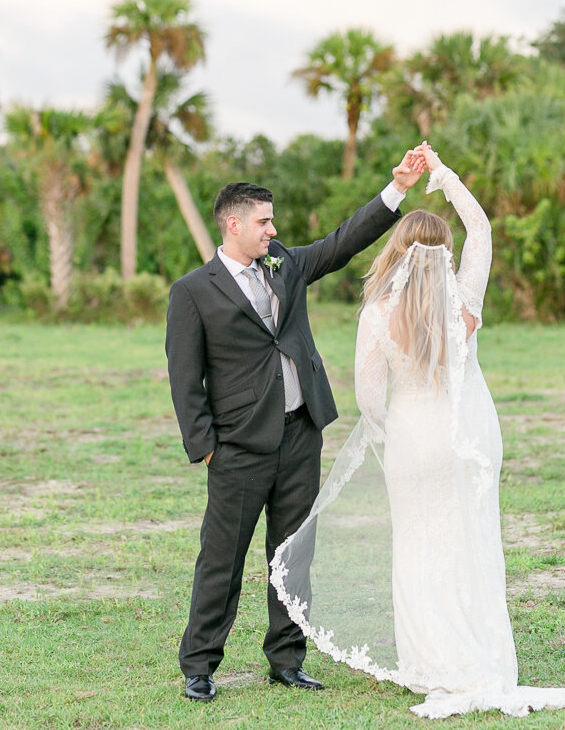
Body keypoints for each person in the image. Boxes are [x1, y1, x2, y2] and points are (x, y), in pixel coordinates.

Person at [271, 143, 565, 719]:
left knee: (416, 545)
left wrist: (390, 429)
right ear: (442, 255)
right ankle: (478, 655)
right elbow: (480, 229)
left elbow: (366, 394)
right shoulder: (464, 299)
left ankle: (431, 663)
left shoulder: (378, 314)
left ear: (397, 253)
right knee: (470, 541)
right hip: (469, 437)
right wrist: (445, 176)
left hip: (413, 438)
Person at [165, 150, 426, 703]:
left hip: (301, 432)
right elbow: (185, 379)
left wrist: (396, 188)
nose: (273, 229)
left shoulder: (285, 261)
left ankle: (286, 659)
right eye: (263, 221)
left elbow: (341, 241)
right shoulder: (192, 291)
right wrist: (206, 448)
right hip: (236, 448)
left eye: (272, 220)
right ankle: (200, 666)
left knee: (293, 554)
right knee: (222, 560)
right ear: (232, 224)